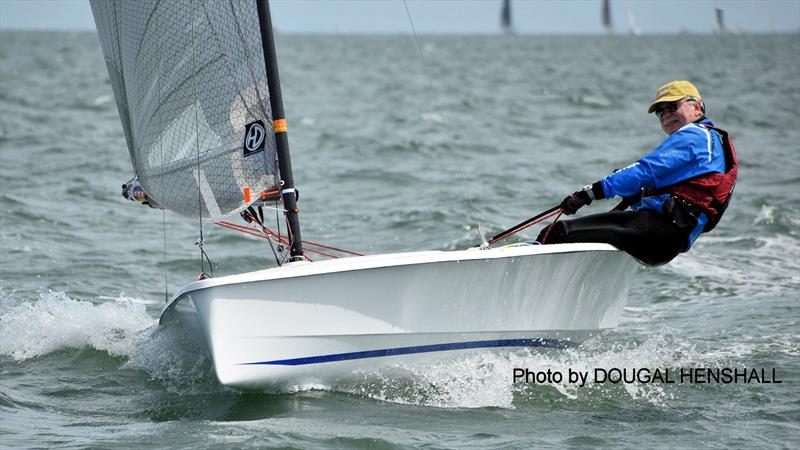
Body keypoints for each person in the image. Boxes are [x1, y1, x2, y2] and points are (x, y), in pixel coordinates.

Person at [537, 80, 738, 266]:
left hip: (658, 231)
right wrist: (637, 195)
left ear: (697, 106)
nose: (665, 114)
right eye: (660, 111)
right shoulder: (713, 142)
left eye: (672, 106)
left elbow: (645, 170)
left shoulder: (695, 135)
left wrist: (589, 194)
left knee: (555, 233)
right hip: (668, 242)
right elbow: (674, 188)